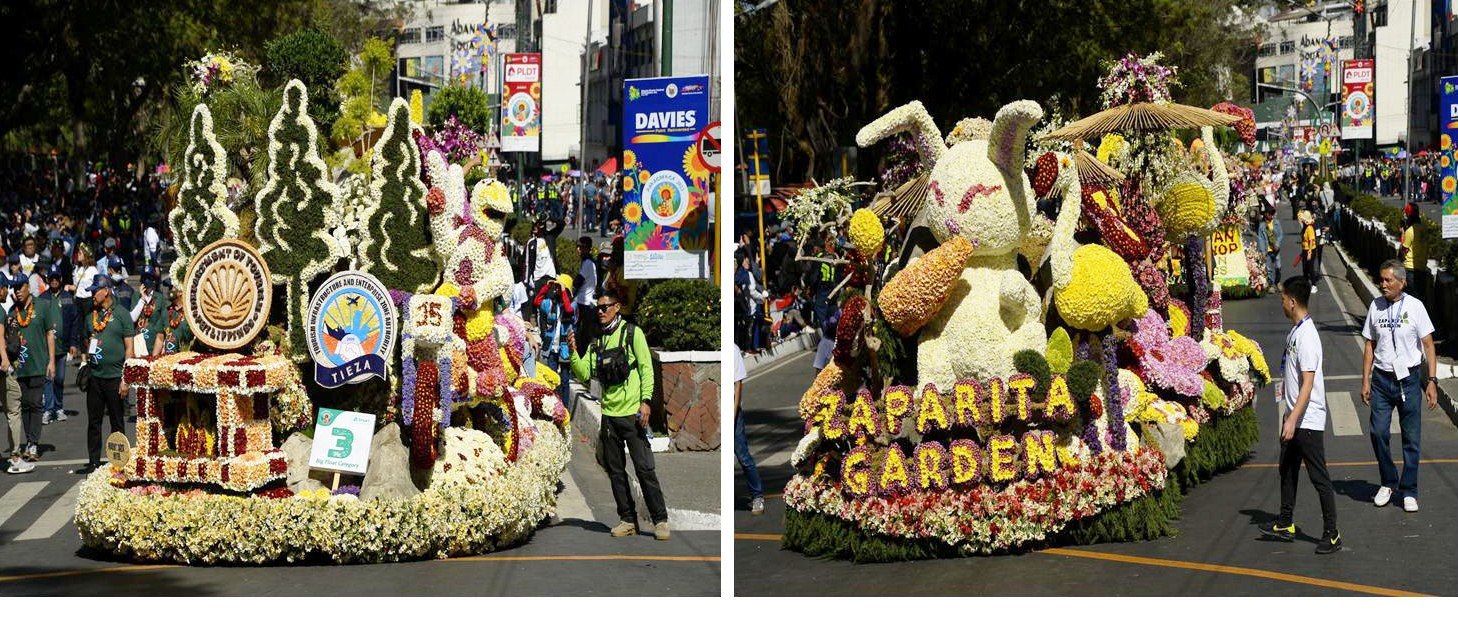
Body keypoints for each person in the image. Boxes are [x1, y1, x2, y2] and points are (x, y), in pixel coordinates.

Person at [567, 288, 670, 540]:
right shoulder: (597, 340)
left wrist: (646, 402)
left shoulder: (633, 334)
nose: (600, 312)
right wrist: (572, 351)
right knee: (615, 471)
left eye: (604, 307)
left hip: (633, 414)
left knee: (644, 469)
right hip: (609, 415)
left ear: (617, 307)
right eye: (597, 308)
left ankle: (660, 520)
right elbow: (585, 373)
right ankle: (627, 519)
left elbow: (647, 369)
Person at [1260, 276, 1340, 554]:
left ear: (1292, 302)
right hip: (1294, 416)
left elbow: (1307, 383)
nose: (1281, 303)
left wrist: (1293, 418)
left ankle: (1332, 533)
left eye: (1282, 298)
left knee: (1319, 477)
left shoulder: (1308, 337)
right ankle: (1285, 522)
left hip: (1307, 419)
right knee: (1287, 470)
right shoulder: (1295, 331)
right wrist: (1287, 414)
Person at [1360, 260, 1438, 513]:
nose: (1382, 284)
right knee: (1378, 432)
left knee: (1411, 439)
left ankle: (1409, 490)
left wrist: (1432, 382)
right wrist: (1366, 380)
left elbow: (1428, 345)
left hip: (1409, 379)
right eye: (1381, 280)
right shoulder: (1375, 306)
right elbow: (1369, 345)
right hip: (1382, 380)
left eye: (1388, 280)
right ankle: (1388, 481)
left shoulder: (1415, 307)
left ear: (1402, 282)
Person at [74, 275, 135, 475]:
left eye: (95, 291)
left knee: (117, 422)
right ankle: (93, 462)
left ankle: (119, 461)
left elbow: (129, 349)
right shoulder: (90, 316)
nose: (92, 294)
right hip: (95, 377)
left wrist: (126, 379)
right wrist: (85, 362)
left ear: (106, 291)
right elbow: (86, 341)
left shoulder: (122, 314)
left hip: (115, 377)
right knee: (94, 421)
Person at [5, 272, 56, 471]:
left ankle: (33, 442)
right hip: (19, 367)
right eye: (14, 288)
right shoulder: (11, 311)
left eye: (19, 287)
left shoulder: (42, 307)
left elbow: (50, 334)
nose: (17, 292)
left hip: (37, 364)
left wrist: (51, 361)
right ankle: (28, 441)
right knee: (23, 405)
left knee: (35, 403)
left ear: (27, 287)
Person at [39, 267, 74, 425]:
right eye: (51, 278)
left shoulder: (67, 297)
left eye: (56, 278)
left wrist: (74, 343)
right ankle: (48, 409)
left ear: (60, 279)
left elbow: (74, 321)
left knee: (59, 379)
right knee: (47, 379)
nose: (54, 281)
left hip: (62, 346)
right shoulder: (41, 299)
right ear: (48, 280)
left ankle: (59, 408)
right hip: (46, 348)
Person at [733, 344, 764, 515]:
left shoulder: (733, 349)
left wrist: (734, 410)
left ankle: (757, 496)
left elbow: (738, 384)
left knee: (743, 456)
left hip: (733, 412)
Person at [1, 282, 24, 471]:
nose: (6, 292)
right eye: (4, 288)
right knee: (14, 410)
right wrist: (5, 360)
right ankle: (15, 459)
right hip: (2, 368)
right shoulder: (0, 311)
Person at [152, 279, 192, 355]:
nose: (169, 291)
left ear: (180, 291)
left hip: (185, 360)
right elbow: (160, 337)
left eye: (171, 288)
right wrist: (154, 359)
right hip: (167, 360)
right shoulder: (166, 311)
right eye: (168, 288)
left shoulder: (190, 313)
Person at [573, 236, 600, 347]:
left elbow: (577, 282)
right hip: (584, 302)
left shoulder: (588, 263)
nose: (579, 250)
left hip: (584, 303)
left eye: (582, 247)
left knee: (581, 333)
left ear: (588, 249)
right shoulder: (587, 262)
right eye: (578, 247)